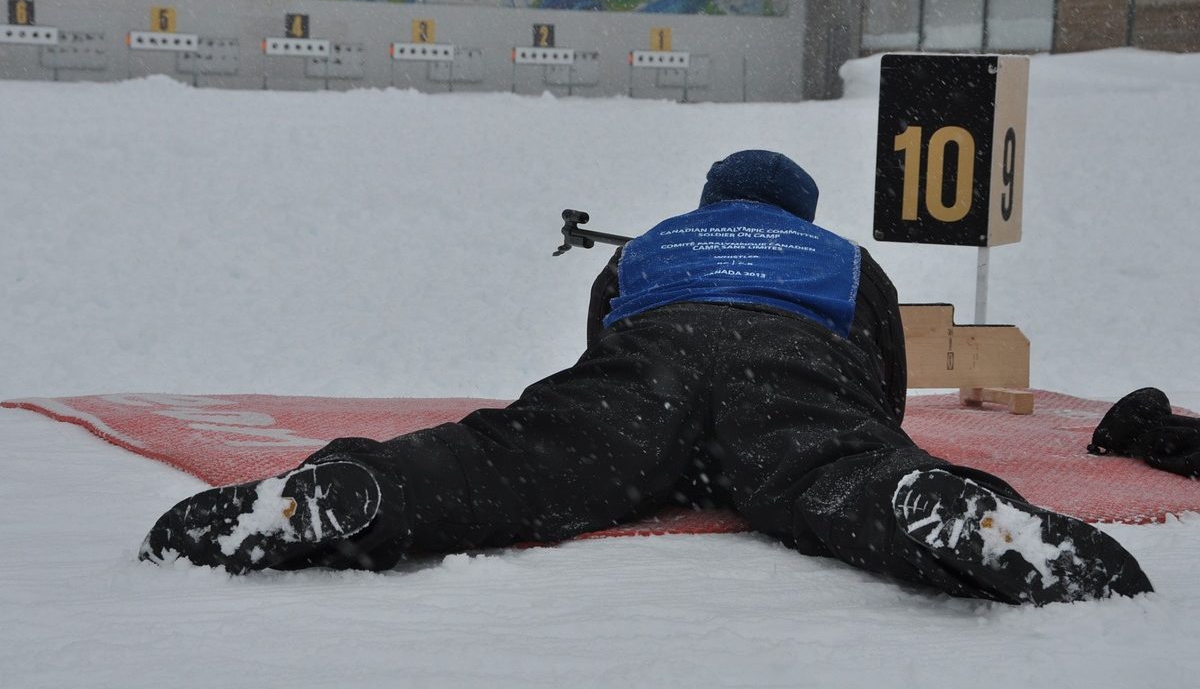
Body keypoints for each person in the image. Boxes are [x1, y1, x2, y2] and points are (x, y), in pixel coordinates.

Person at [141, 150, 1153, 606]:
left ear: (709, 199)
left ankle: (360, 494)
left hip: (645, 376)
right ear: (796, 212)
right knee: (844, 474)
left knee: (510, 462)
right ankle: (937, 510)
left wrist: (620, 424)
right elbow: (876, 381)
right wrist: (857, 431)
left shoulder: (654, 246)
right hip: (789, 379)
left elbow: (600, 348)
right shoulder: (842, 257)